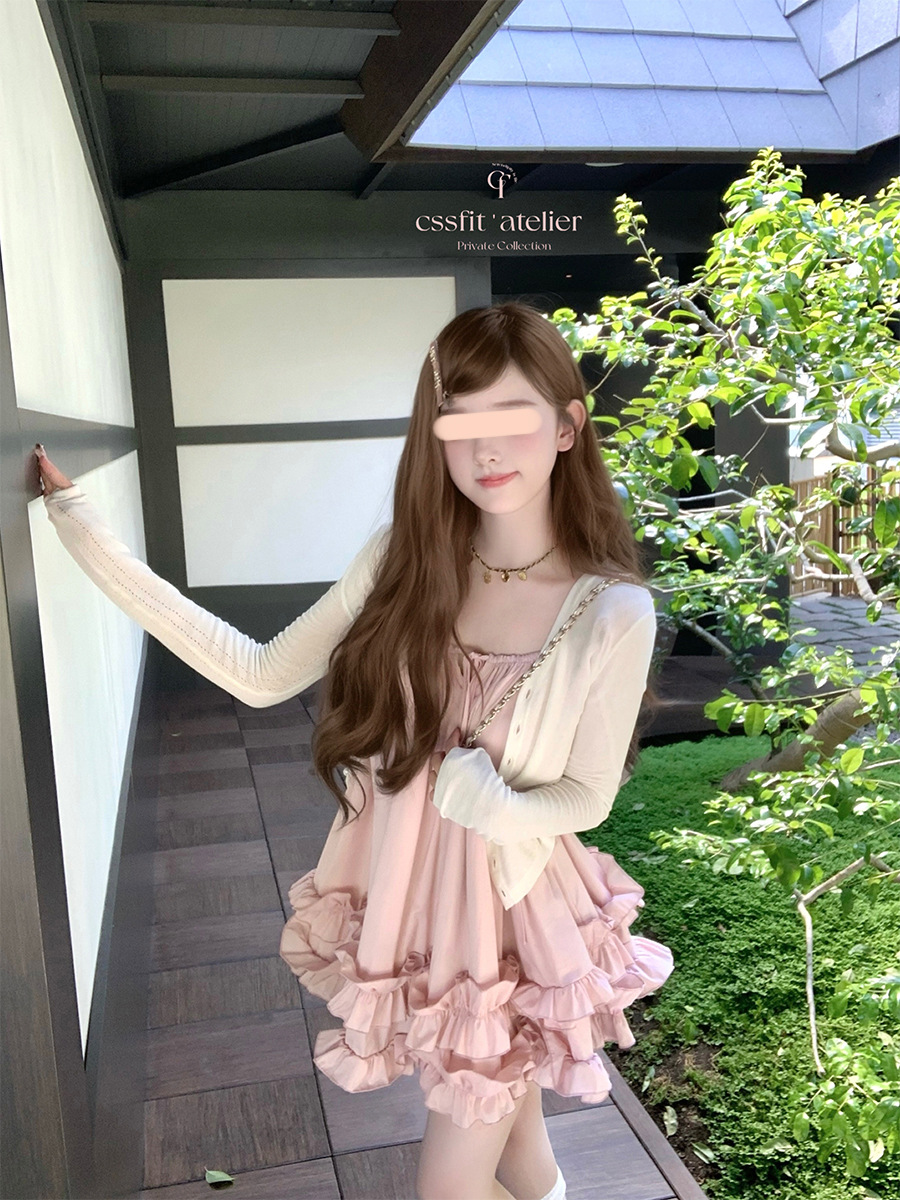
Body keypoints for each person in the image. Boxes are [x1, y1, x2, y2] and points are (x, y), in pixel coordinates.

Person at [36, 301, 674, 1200]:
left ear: (567, 427)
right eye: (460, 420)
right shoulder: (403, 561)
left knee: (451, 1181)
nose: (487, 449)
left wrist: (498, 806)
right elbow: (258, 673)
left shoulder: (611, 611)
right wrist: (83, 528)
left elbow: (588, 796)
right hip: (407, 890)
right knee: (518, 1149)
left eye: (513, 416)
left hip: (507, 907)